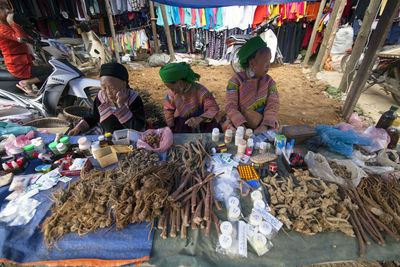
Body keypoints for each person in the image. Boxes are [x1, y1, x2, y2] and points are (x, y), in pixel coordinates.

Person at [68, 62, 146, 135]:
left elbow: (138, 128)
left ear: (123, 84)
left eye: (112, 88)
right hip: (105, 134)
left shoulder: (133, 99)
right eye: (104, 88)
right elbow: (92, 116)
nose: (108, 93)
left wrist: (121, 106)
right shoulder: (101, 96)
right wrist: (79, 127)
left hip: (127, 137)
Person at [223, 36, 279, 134]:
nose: (268, 65)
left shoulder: (269, 82)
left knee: (273, 127)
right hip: (239, 122)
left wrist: (264, 126)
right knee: (229, 128)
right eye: (265, 62)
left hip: (262, 122)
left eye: (269, 61)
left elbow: (272, 105)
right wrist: (241, 127)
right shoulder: (236, 81)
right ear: (252, 63)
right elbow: (231, 107)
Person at [0, 1, 52, 96]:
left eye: (7, 7)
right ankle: (26, 83)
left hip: (26, 61)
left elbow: (28, 35)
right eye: (2, 8)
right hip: (18, 66)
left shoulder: (8, 24)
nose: (7, 10)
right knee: (51, 71)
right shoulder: (2, 28)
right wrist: (12, 22)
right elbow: (20, 38)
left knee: (44, 86)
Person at [159, 62, 220, 133]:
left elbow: (213, 108)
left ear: (180, 82)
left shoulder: (200, 91)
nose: (173, 92)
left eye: (172, 88)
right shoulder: (172, 93)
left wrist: (199, 119)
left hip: (202, 124)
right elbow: (168, 110)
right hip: (183, 123)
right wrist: (171, 127)